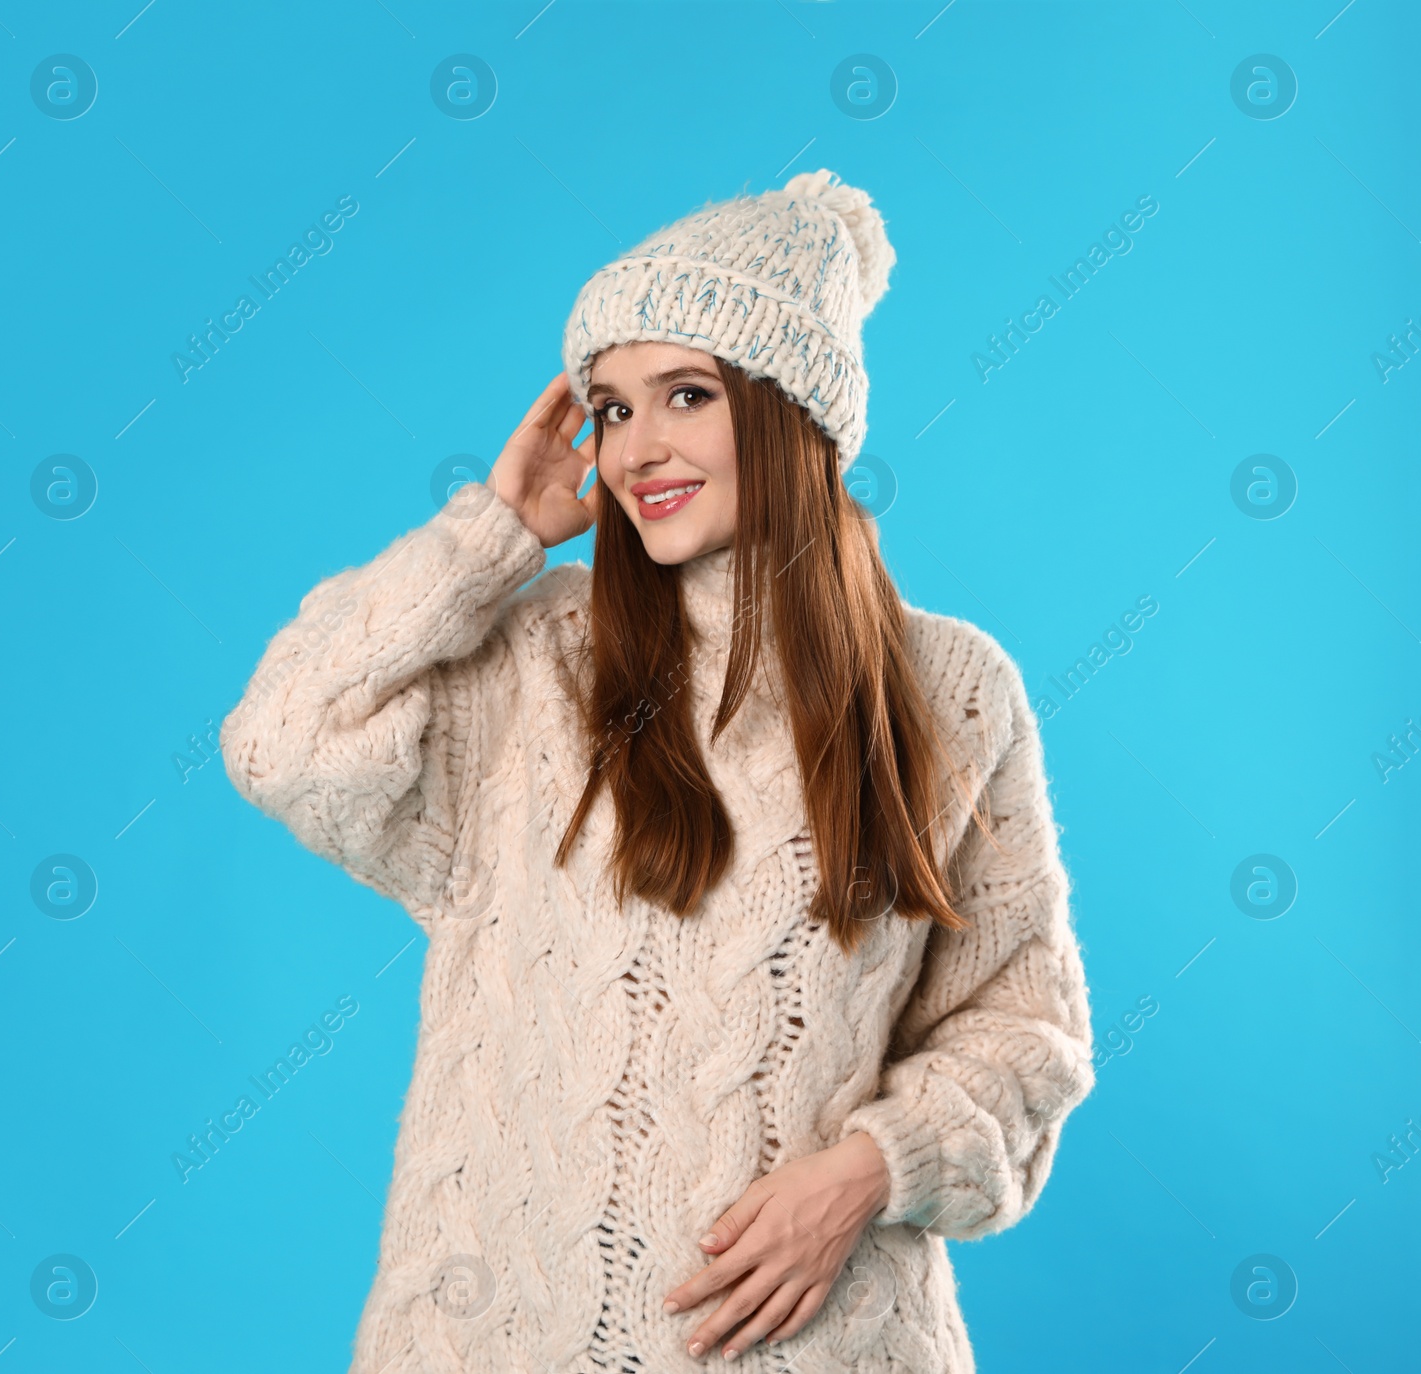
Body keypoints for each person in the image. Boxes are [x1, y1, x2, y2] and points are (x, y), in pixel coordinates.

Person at [220, 168, 1095, 1373]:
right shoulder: (534, 659)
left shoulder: (947, 687)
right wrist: (495, 532)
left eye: (685, 393)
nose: (638, 447)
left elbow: (1022, 1034)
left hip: (818, 1347)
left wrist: (869, 1169)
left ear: (795, 414)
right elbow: (284, 741)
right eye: (612, 407)